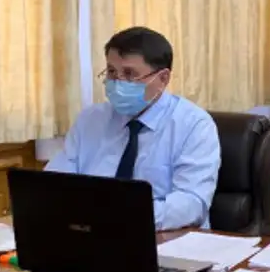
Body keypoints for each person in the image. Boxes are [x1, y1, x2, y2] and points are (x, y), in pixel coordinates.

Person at [46, 27, 221, 231]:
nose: (117, 83)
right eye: (112, 72)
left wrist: (122, 216)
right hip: (91, 233)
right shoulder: (91, 119)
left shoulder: (194, 125)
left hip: (165, 236)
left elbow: (192, 204)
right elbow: (54, 182)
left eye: (129, 74)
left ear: (163, 79)